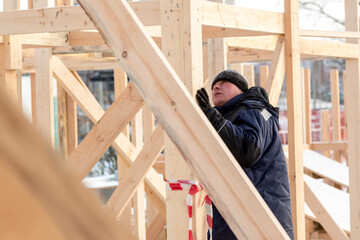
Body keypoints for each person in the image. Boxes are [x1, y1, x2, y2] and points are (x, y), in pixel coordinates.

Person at [196, 69, 294, 240]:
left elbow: (249, 150)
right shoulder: (225, 118)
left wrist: (213, 117)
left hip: (260, 215)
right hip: (236, 213)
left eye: (224, 83)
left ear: (241, 90)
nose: (217, 87)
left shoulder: (256, 110)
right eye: (214, 86)